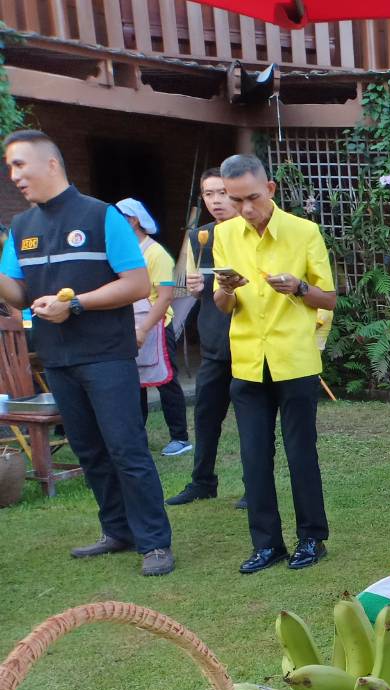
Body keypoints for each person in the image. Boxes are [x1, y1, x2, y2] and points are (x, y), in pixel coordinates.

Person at [0, 129, 174, 576]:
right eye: (9, 167)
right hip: (57, 358)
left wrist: (74, 304)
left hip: (106, 355)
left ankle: (155, 542)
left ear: (52, 163)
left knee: (125, 448)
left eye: (19, 164)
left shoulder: (101, 216)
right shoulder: (21, 228)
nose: (13, 175)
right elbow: (18, 296)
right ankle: (118, 530)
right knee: (89, 451)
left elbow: (136, 284)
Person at [211, 153, 337, 574]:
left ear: (270, 190)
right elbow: (221, 303)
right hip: (247, 360)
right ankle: (267, 545)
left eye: (251, 198)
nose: (245, 209)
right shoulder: (225, 235)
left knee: (301, 453)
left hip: (294, 359)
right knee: (253, 457)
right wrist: (227, 288)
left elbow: (329, 298)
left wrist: (299, 287)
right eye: (235, 200)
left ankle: (311, 538)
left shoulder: (303, 232)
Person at [169, 167, 243, 507]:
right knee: (206, 417)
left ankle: (253, 485)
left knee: (251, 422)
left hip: (248, 343)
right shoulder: (199, 236)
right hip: (214, 344)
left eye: (222, 192)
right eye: (208, 194)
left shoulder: (252, 233)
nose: (215, 200)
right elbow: (184, 284)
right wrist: (194, 286)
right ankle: (202, 481)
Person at [116, 198, 191, 457]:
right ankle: (138, 438)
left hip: (157, 325)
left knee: (165, 380)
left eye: (119, 218)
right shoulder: (124, 252)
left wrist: (145, 328)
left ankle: (180, 437)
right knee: (135, 382)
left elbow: (165, 296)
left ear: (133, 220)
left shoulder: (156, 253)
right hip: (130, 323)